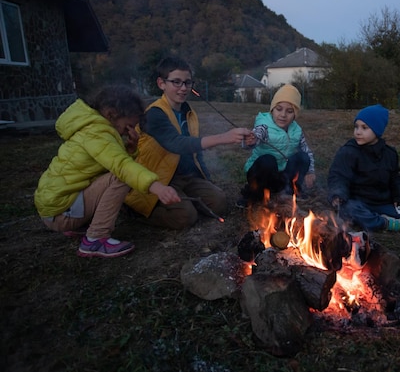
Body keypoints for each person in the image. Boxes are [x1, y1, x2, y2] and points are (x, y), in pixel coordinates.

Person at [34, 85, 179, 258]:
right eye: (128, 126)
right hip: (61, 212)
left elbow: (109, 162)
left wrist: (131, 150)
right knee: (121, 178)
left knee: (114, 176)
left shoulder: (93, 126)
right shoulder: (97, 133)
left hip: (57, 207)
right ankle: (95, 239)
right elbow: (121, 167)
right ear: (111, 114)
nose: (130, 131)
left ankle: (80, 227)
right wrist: (157, 187)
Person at [125, 57, 254, 229]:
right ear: (161, 83)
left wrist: (207, 181)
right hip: (157, 180)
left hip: (185, 177)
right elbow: (177, 144)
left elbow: (195, 152)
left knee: (219, 202)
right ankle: (137, 211)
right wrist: (224, 138)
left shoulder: (188, 113)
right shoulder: (154, 114)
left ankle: (185, 200)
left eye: (187, 82)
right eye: (176, 82)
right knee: (186, 217)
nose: (183, 88)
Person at [327, 104, 400, 233]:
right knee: (348, 209)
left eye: (364, 128)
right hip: (358, 201)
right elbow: (338, 175)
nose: (358, 132)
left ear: (377, 130)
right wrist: (338, 194)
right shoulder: (348, 152)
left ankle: (376, 219)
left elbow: (395, 177)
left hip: (381, 202)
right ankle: (384, 223)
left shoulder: (389, 154)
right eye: (356, 127)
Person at [238, 84, 316, 206]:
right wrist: (250, 141)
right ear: (272, 109)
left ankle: (291, 189)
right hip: (260, 175)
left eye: (289, 111)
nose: (283, 115)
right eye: (279, 109)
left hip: (281, 176)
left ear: (295, 114)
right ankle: (253, 194)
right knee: (268, 160)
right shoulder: (264, 125)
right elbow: (257, 135)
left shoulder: (296, 130)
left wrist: (310, 171)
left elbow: (307, 151)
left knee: (303, 157)